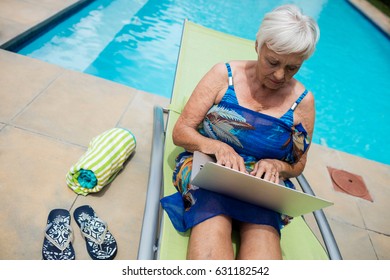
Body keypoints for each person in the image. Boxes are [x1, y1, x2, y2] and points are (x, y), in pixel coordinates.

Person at [160, 4, 320, 260]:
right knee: (210, 233)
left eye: (292, 68)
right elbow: (181, 132)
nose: (280, 75)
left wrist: (277, 166)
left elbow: (298, 164)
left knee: (264, 246)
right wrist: (217, 147)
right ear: (258, 45)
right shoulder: (224, 76)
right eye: (273, 62)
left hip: (261, 187)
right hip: (208, 170)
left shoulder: (302, 102)